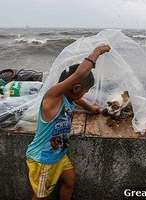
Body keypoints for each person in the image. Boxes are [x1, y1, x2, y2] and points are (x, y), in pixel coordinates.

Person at [26, 44, 111, 200]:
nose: (85, 94)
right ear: (77, 88)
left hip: (59, 155)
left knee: (70, 181)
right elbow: (79, 74)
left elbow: (78, 100)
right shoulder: (52, 97)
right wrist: (96, 52)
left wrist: (91, 108)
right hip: (43, 160)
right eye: (85, 91)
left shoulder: (68, 97)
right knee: (41, 196)